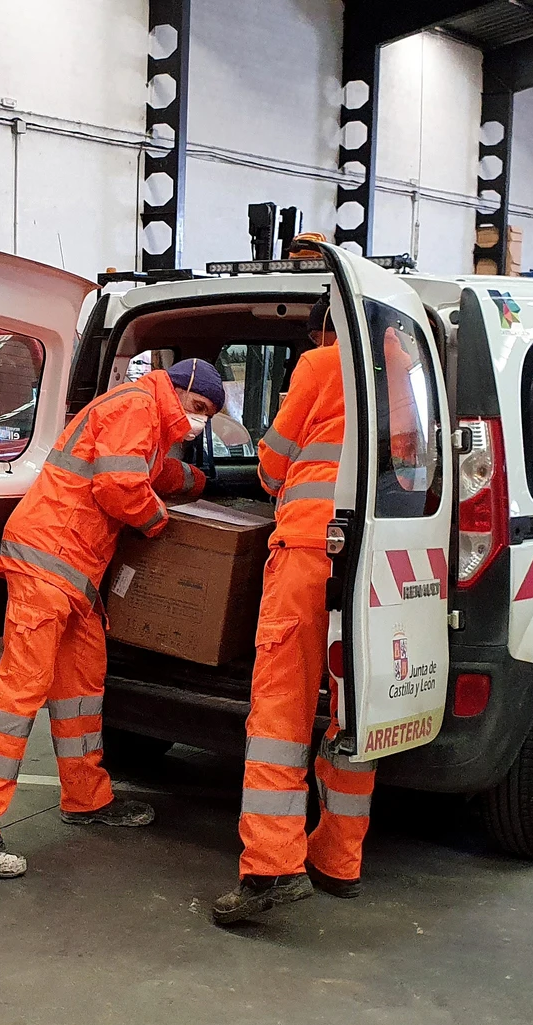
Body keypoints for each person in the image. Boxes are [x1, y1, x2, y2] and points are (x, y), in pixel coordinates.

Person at [0, 359, 223, 877]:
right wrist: (161, 523)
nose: (198, 421)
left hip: (76, 574)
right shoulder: (137, 406)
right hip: (50, 561)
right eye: (198, 408)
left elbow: (155, 470)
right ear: (179, 389)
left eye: (206, 415)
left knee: (80, 692)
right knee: (20, 693)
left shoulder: (149, 420)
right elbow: (120, 486)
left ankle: (87, 798)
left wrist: (200, 481)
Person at [213, 296, 375, 925]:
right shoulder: (404, 371)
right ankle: (339, 861)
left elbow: (273, 463)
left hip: (308, 550)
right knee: (353, 709)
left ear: (324, 328)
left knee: (280, 713)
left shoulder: (320, 364)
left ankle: (272, 869)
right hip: (376, 560)